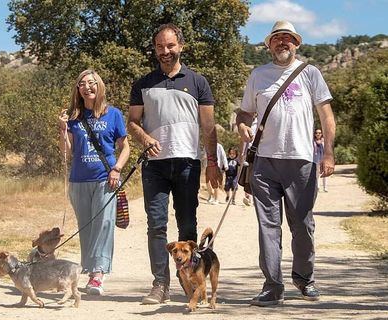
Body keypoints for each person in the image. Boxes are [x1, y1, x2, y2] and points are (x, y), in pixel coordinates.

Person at [236, 21, 336, 306]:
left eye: (288, 38)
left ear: (296, 44)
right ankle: (272, 285)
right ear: (268, 45)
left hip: (301, 161)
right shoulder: (258, 75)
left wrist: (327, 153)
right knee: (268, 226)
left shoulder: (311, 73)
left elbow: (327, 117)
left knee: (303, 225)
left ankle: (305, 279)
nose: (283, 43)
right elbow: (244, 114)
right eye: (277, 38)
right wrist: (242, 127)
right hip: (265, 163)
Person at [128, 23, 221, 304]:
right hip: (154, 165)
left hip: (187, 163)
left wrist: (213, 162)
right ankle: (160, 285)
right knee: (156, 225)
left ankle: (189, 281)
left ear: (180, 46)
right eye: (159, 46)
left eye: (170, 46)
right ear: (155, 49)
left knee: (187, 224)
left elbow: (208, 126)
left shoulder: (197, 82)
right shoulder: (143, 83)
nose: (165, 51)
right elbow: (132, 122)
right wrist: (144, 139)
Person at [58, 69, 129, 295]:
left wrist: (117, 168)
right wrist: (62, 130)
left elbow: (125, 147)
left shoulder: (113, 114)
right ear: (78, 89)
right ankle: (89, 270)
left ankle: (98, 274)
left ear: (99, 86)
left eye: (91, 83)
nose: (87, 87)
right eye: (82, 84)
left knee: (104, 225)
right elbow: (66, 152)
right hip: (79, 180)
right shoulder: (73, 117)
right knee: (86, 227)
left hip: (105, 179)